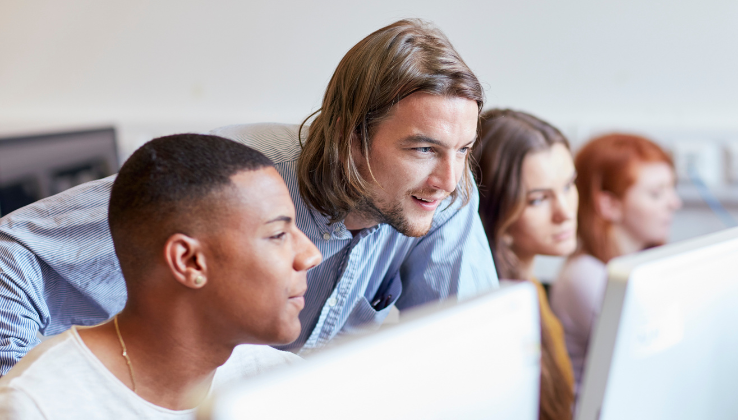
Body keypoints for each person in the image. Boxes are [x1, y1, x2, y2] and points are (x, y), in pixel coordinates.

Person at [0, 19, 498, 374]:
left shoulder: (443, 196)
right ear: (350, 137)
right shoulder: (237, 174)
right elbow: (10, 255)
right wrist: (30, 392)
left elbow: (470, 355)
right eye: (423, 149)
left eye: (464, 150)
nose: (449, 179)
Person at [0, 134, 322, 418]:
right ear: (190, 261)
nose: (311, 255)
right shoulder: (34, 406)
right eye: (278, 234)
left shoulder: (282, 385)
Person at [549, 133, 682, 390]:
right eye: (656, 194)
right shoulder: (585, 277)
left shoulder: (641, 265)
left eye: (671, 189)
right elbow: (658, 365)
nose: (675, 203)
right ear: (609, 204)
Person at [473, 109, 577, 420]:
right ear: (494, 211)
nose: (565, 212)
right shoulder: (495, 313)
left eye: (569, 186)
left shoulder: (531, 288)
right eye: (538, 199)